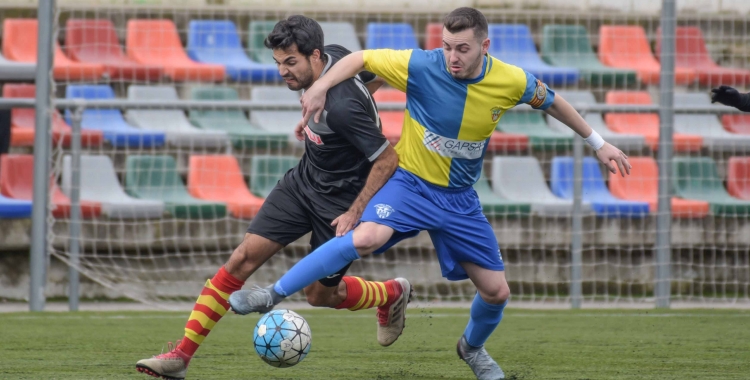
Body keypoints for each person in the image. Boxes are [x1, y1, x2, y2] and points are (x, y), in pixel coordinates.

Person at [230, 7, 632, 380]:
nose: (452, 57)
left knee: (496, 292)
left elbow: (553, 102)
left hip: (459, 200)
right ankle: (271, 294)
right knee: (364, 237)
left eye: (462, 49)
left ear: (483, 47)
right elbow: (361, 59)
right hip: (410, 185)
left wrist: (599, 143)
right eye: (446, 47)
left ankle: (472, 348)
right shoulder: (422, 64)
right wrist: (320, 89)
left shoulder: (510, 80)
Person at [135, 15, 412, 380]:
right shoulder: (334, 58)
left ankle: (390, 293)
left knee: (319, 296)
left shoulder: (344, 109)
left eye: (290, 63)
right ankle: (180, 357)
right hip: (302, 184)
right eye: (278, 63)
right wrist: (315, 120)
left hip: (339, 205)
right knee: (241, 259)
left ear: (315, 56)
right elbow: (371, 78)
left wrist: (354, 210)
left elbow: (387, 159)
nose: (283, 71)